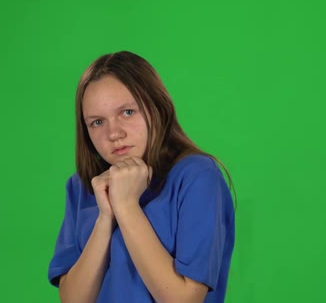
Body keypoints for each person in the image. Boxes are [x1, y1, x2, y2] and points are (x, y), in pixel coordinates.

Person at [48, 51, 235, 303]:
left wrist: (126, 206)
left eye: (127, 112)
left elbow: (184, 299)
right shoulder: (82, 186)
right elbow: (73, 299)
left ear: (156, 106)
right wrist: (105, 217)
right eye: (97, 122)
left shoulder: (197, 177)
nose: (114, 133)